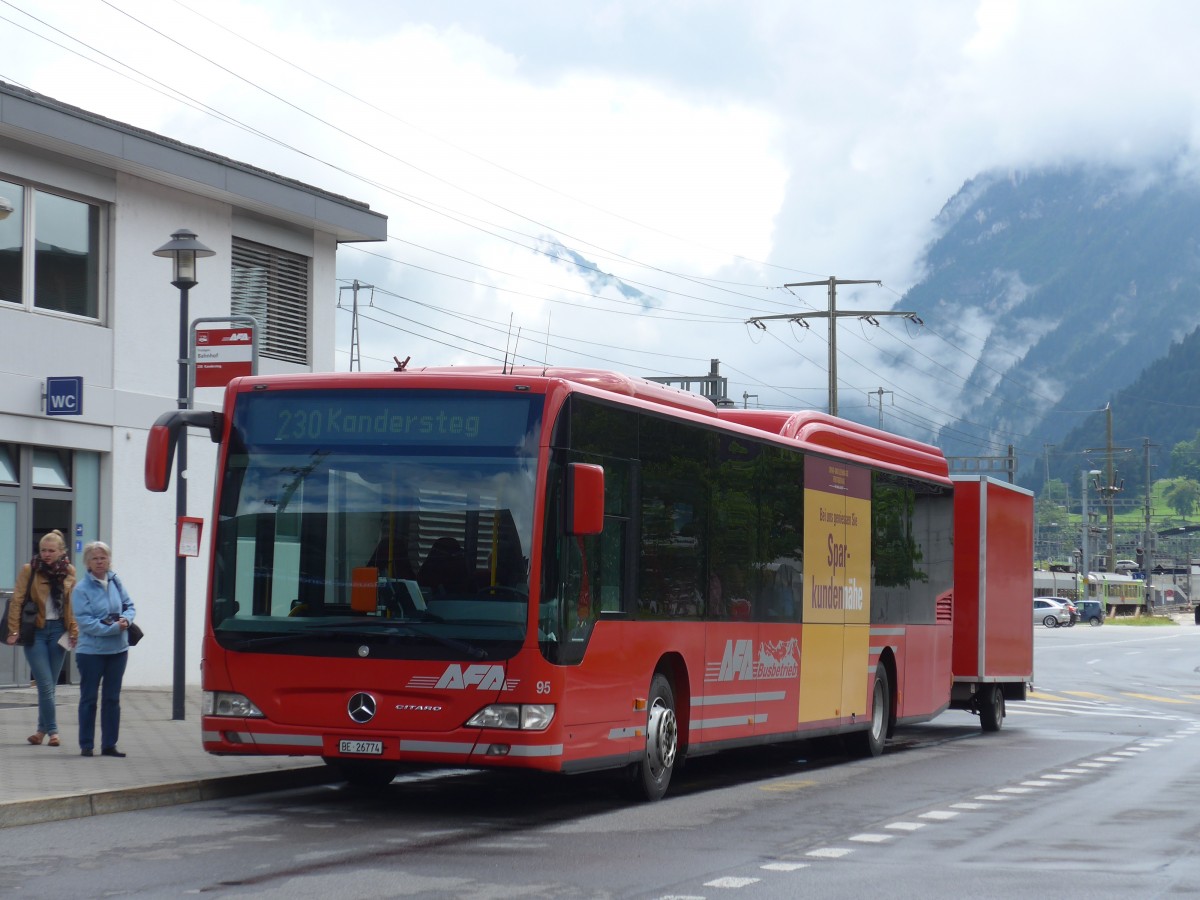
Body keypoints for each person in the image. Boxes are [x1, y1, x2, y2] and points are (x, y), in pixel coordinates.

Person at [5, 529, 78, 747]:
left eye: (51, 550)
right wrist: (13, 630)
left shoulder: (69, 571)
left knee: (50, 686)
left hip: (58, 631)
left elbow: (72, 604)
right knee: (45, 684)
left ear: (61, 552)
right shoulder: (30, 570)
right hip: (35, 631)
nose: (46, 554)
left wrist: (74, 631)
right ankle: (53, 731)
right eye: (43, 550)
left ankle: (39, 731)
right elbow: (17, 600)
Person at [72, 541, 136, 758]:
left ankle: (109, 745)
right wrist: (113, 628)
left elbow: (129, 606)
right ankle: (86, 744)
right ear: (87, 563)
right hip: (91, 652)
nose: (100, 562)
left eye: (103, 558)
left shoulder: (116, 581)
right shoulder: (81, 589)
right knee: (89, 698)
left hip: (118, 650)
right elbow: (86, 622)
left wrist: (126, 620)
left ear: (109, 560)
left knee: (112, 698)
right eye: (94, 558)